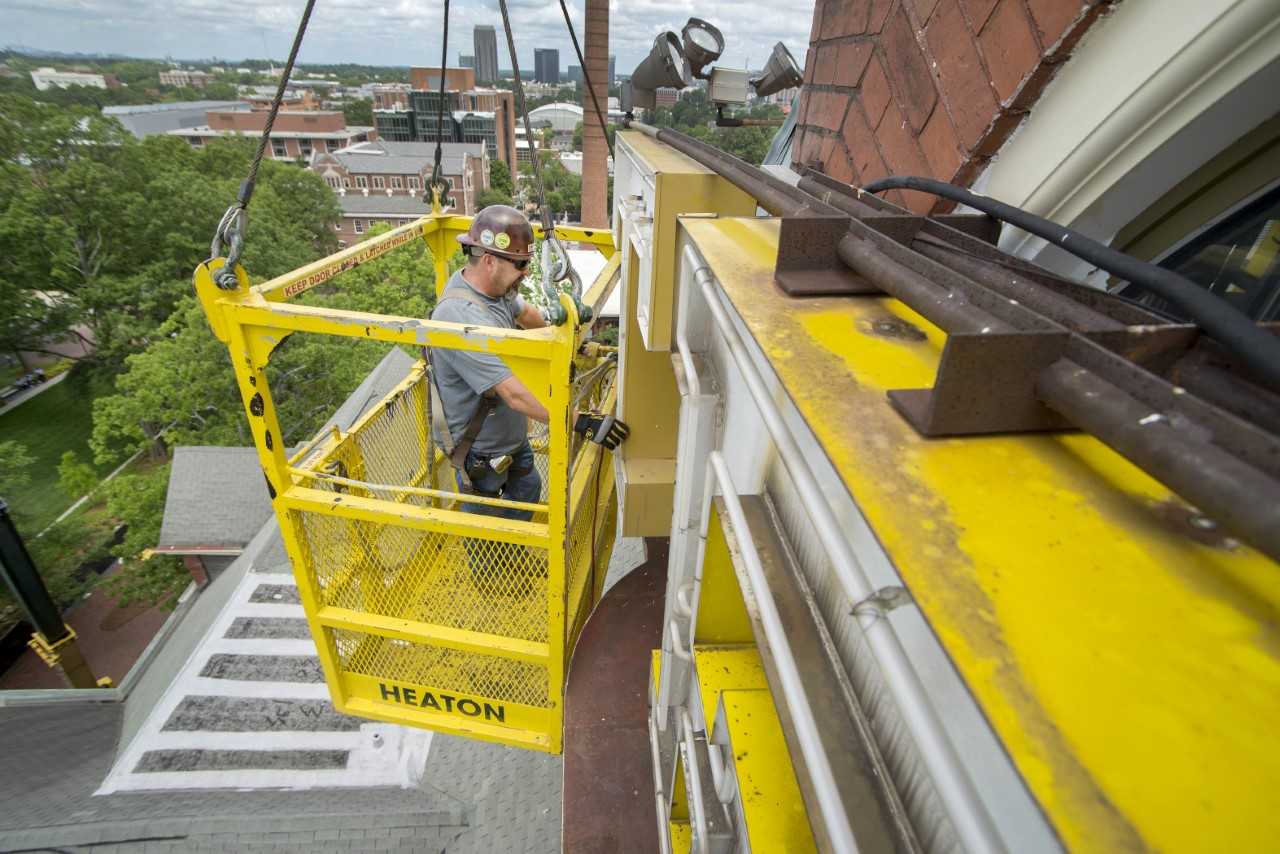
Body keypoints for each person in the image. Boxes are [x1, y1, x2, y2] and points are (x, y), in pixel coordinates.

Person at [429, 205, 629, 525]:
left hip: (510, 439)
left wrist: (564, 349)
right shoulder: (459, 317)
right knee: (489, 533)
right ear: (490, 260)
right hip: (480, 454)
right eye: (520, 264)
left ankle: (514, 562)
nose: (525, 272)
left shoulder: (497, 288)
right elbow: (514, 395)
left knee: (527, 492)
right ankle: (492, 575)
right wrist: (581, 422)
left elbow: (527, 315)